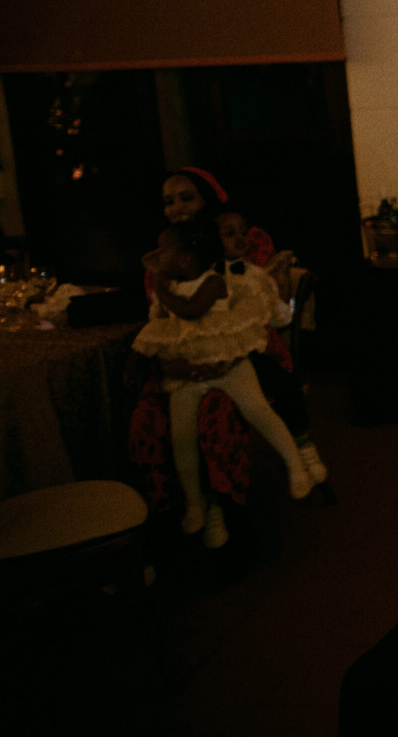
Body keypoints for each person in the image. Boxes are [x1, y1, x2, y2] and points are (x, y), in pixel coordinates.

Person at [132, 218, 312, 536]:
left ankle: (295, 463)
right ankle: (195, 502)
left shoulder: (214, 282)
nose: (159, 258)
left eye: (165, 253)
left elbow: (191, 309)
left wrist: (159, 282)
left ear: (186, 259)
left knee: (259, 411)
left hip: (229, 364)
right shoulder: (169, 286)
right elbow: (160, 326)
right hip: (188, 374)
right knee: (181, 437)